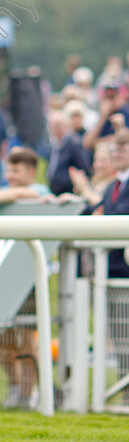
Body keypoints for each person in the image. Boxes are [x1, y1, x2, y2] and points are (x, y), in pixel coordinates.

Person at [0, 147, 54, 408]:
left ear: (31, 172)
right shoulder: (3, 193)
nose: (10, 175)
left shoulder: (39, 191)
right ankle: (17, 386)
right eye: (8, 170)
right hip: (3, 276)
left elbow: (26, 194)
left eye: (16, 171)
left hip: (30, 276)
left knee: (27, 337)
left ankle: (32, 394)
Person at [91, 131, 129, 403]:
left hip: (124, 272)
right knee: (120, 339)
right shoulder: (111, 185)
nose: (117, 153)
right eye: (116, 148)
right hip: (112, 271)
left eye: (123, 148)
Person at [47, 109, 91, 196]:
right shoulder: (54, 146)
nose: (55, 129)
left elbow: (83, 168)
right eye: (52, 125)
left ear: (65, 125)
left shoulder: (74, 145)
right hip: (55, 192)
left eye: (57, 125)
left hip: (69, 193)